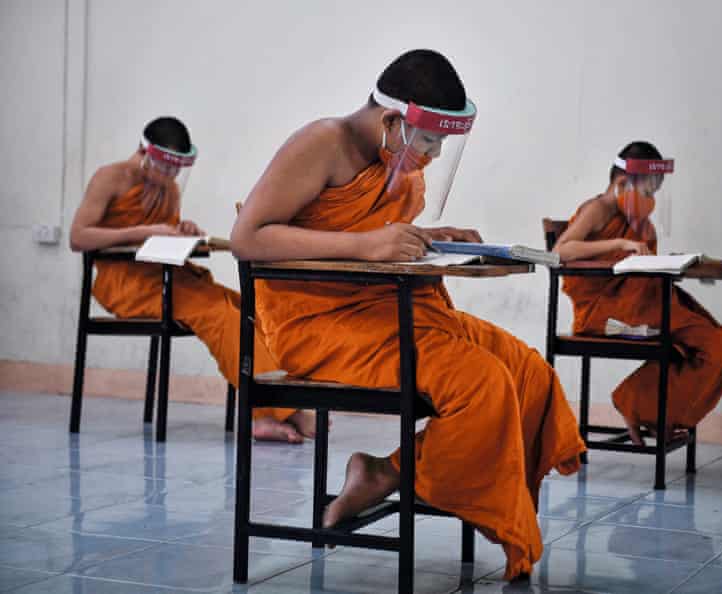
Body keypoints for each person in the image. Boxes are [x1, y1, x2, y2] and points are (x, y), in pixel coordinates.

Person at [230, 49, 585, 580]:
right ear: (393, 122)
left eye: (442, 142)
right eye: (428, 140)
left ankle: (387, 472)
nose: (435, 154)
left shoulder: (396, 160)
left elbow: (380, 235)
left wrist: (437, 239)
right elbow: (247, 239)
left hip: (391, 308)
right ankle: (389, 476)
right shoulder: (323, 142)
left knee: (529, 372)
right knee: (482, 383)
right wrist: (366, 246)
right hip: (321, 324)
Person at [69, 116, 314, 442]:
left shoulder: (167, 188)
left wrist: (183, 230)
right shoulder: (110, 177)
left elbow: (163, 230)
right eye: (166, 167)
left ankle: (262, 415)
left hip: (170, 278)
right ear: (146, 153)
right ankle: (287, 408)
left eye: (177, 170)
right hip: (127, 285)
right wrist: (143, 232)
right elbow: (78, 237)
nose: (171, 177)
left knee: (248, 310)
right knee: (221, 317)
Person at [554, 140, 722, 445]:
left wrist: (696, 269)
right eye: (646, 193)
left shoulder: (641, 225)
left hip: (637, 305)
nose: (651, 201)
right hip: (602, 314)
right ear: (620, 183)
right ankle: (646, 409)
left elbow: (646, 274)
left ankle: (651, 409)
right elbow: (561, 250)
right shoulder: (598, 209)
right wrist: (618, 244)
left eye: (655, 194)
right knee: (716, 344)